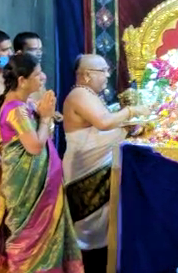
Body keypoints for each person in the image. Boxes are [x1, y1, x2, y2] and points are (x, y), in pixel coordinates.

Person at [62, 54, 150, 272]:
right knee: (87, 229)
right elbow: (103, 123)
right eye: (103, 71)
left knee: (103, 230)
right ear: (88, 75)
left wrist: (128, 128)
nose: (108, 75)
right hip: (86, 173)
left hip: (101, 167)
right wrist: (131, 111)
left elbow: (107, 127)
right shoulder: (79, 94)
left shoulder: (91, 95)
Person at [0, 53, 83, 272]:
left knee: (43, 240)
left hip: (41, 189)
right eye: (37, 75)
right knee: (28, 241)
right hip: (27, 192)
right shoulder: (15, 109)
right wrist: (45, 118)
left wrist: (42, 114)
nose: (43, 78)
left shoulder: (23, 104)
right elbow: (34, 147)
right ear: (22, 80)